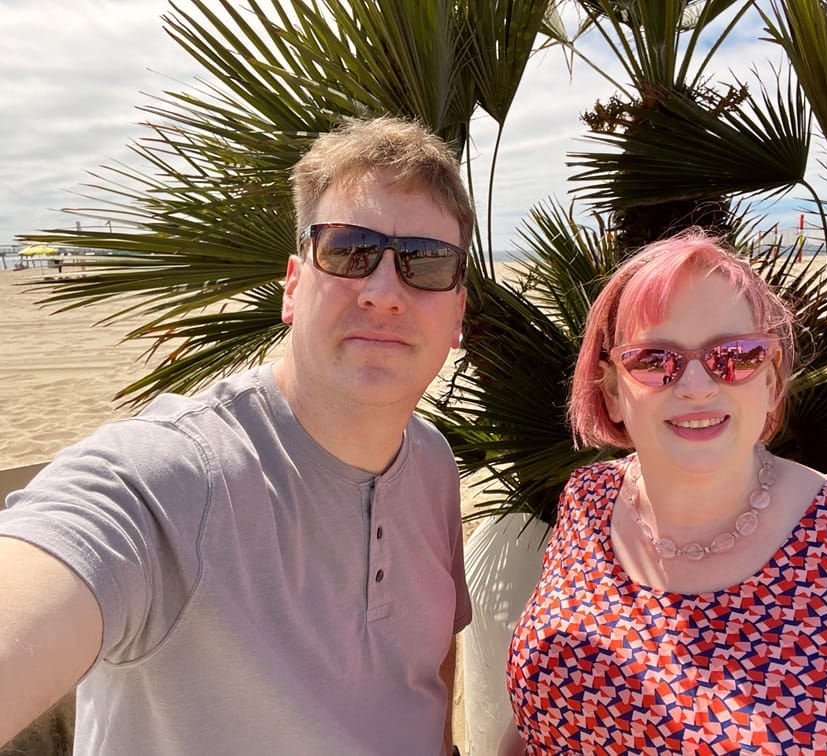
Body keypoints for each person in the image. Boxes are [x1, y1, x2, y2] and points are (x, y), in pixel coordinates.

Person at [0, 116, 473, 754]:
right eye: (348, 250)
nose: (385, 292)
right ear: (293, 286)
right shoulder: (169, 478)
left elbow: (429, 664)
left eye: (427, 261)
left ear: (456, 314)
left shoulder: (433, 462)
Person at [501, 229, 827, 754]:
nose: (697, 385)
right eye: (654, 360)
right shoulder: (588, 501)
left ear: (769, 381)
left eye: (736, 355)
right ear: (611, 392)